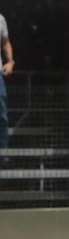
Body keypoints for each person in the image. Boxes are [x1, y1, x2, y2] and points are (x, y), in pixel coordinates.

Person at [0, 12, 15, 155]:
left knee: (2, 115)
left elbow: (5, 42)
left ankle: (2, 153)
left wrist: (10, 62)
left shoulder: (0, 19)